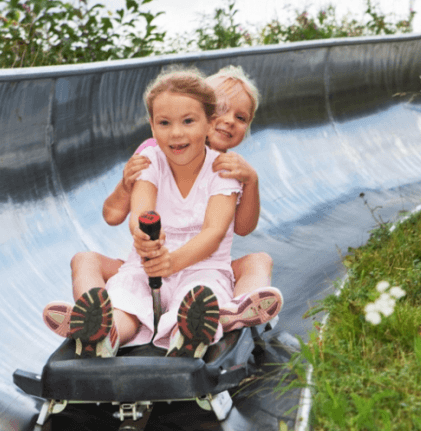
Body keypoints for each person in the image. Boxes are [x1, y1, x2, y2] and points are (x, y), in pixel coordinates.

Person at [45, 66, 282, 358]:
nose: (228, 121)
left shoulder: (227, 168)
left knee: (208, 291)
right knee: (124, 297)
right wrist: (142, 235)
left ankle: (215, 320)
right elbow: (133, 215)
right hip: (149, 265)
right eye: (222, 109)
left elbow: (224, 229)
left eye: (240, 117)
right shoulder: (151, 155)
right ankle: (100, 326)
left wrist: (251, 181)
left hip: (200, 268)